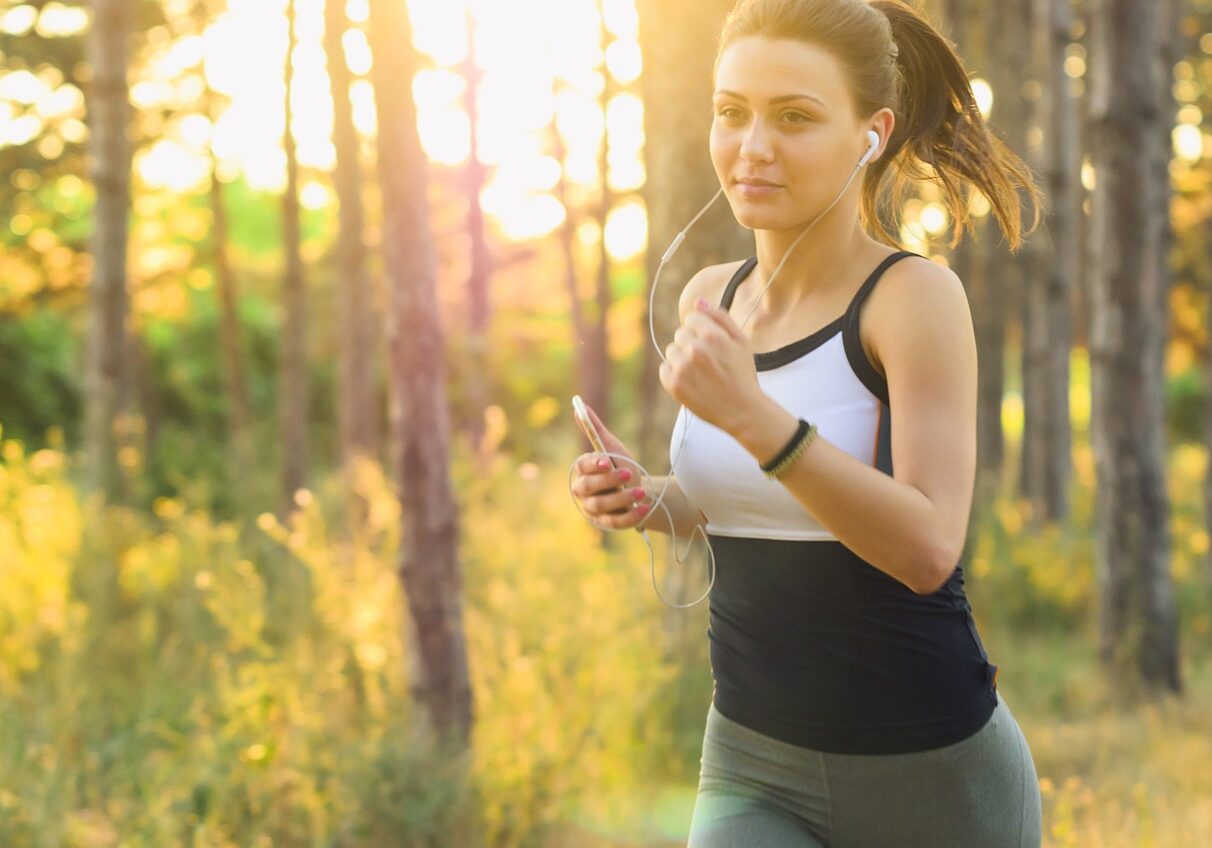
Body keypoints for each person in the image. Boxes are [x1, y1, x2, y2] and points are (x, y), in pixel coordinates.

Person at [570, 0, 1045, 844]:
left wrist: (755, 418)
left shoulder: (910, 300)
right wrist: (648, 498)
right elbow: (748, 502)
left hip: (929, 772)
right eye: (731, 113)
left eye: (794, 117)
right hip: (752, 760)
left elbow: (928, 547)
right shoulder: (708, 297)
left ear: (872, 132)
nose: (752, 147)